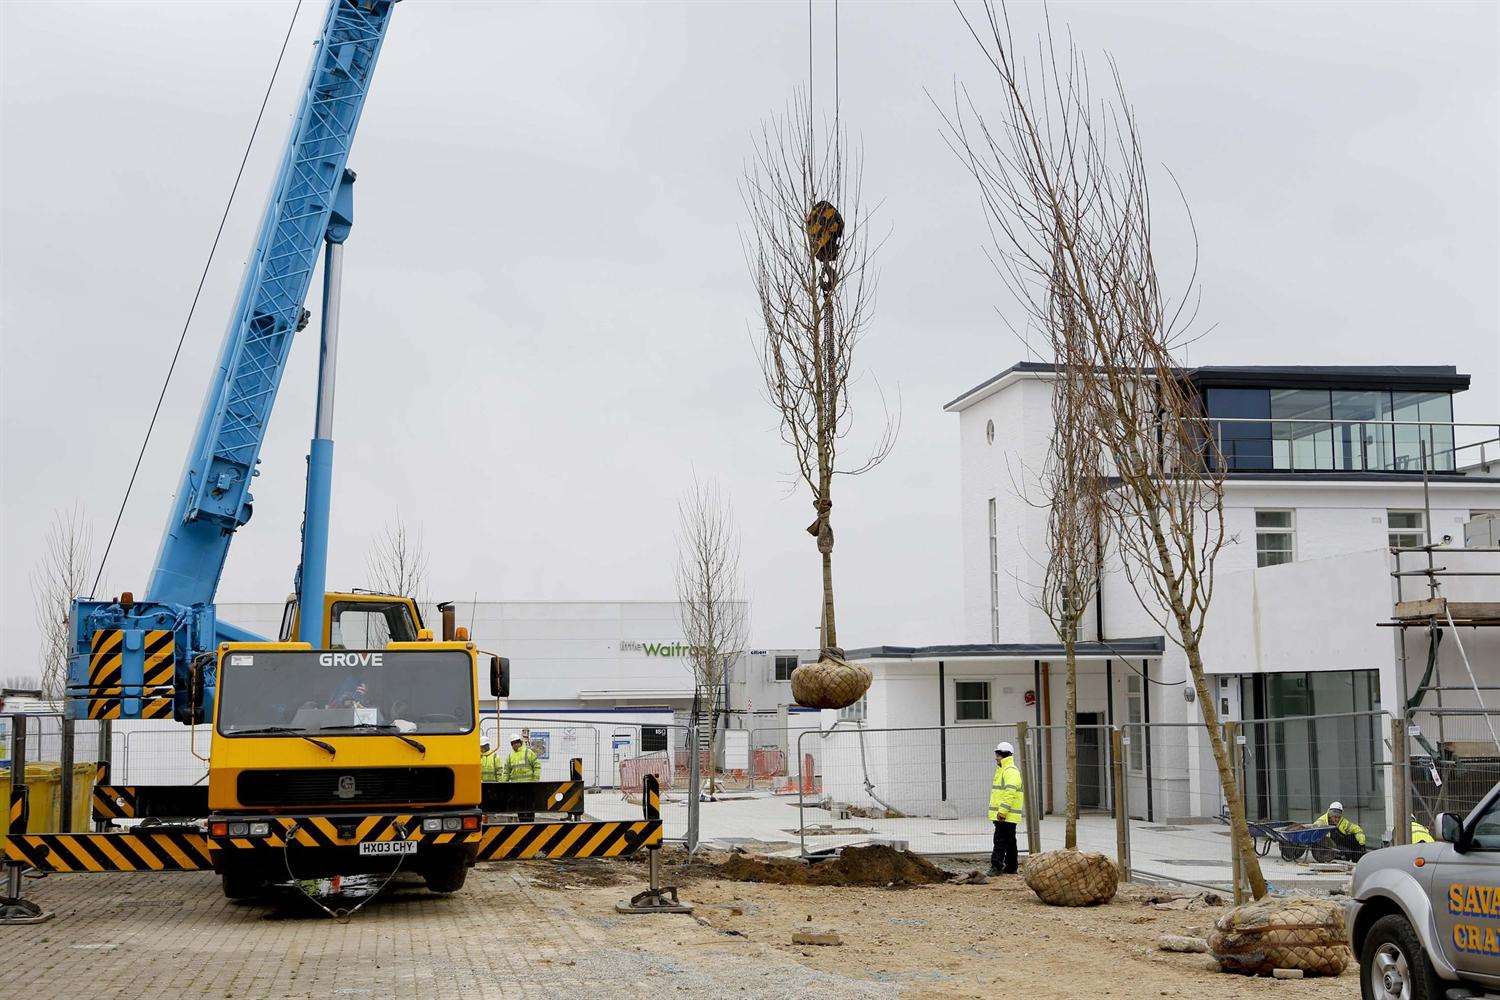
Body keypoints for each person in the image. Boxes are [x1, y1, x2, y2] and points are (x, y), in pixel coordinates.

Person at [988, 740, 1024, 876]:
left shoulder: (1009, 771)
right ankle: (1011, 867)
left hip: (1005, 815)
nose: (996, 758)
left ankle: (996, 867)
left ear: (1003, 755)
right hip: (1007, 815)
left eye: (997, 755)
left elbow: (1009, 793)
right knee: (1009, 841)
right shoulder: (1005, 770)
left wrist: (1002, 811)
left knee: (1000, 840)